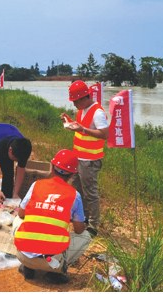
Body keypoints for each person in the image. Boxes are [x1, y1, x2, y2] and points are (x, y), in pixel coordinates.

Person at [13, 149, 92, 284]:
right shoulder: (74, 195)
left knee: (18, 219)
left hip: (23, 256)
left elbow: (21, 213)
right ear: (73, 174)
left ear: (52, 167)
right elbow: (79, 230)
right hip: (51, 262)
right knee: (86, 235)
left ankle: (28, 266)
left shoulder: (36, 185)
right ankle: (54, 273)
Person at [60, 80, 109, 237]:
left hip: (90, 160)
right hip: (79, 158)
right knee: (77, 190)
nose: (74, 105)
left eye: (75, 101)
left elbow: (104, 134)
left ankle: (93, 224)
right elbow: (81, 128)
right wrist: (70, 122)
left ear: (83, 98)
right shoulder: (82, 111)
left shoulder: (98, 112)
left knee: (90, 193)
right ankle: (82, 217)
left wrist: (83, 129)